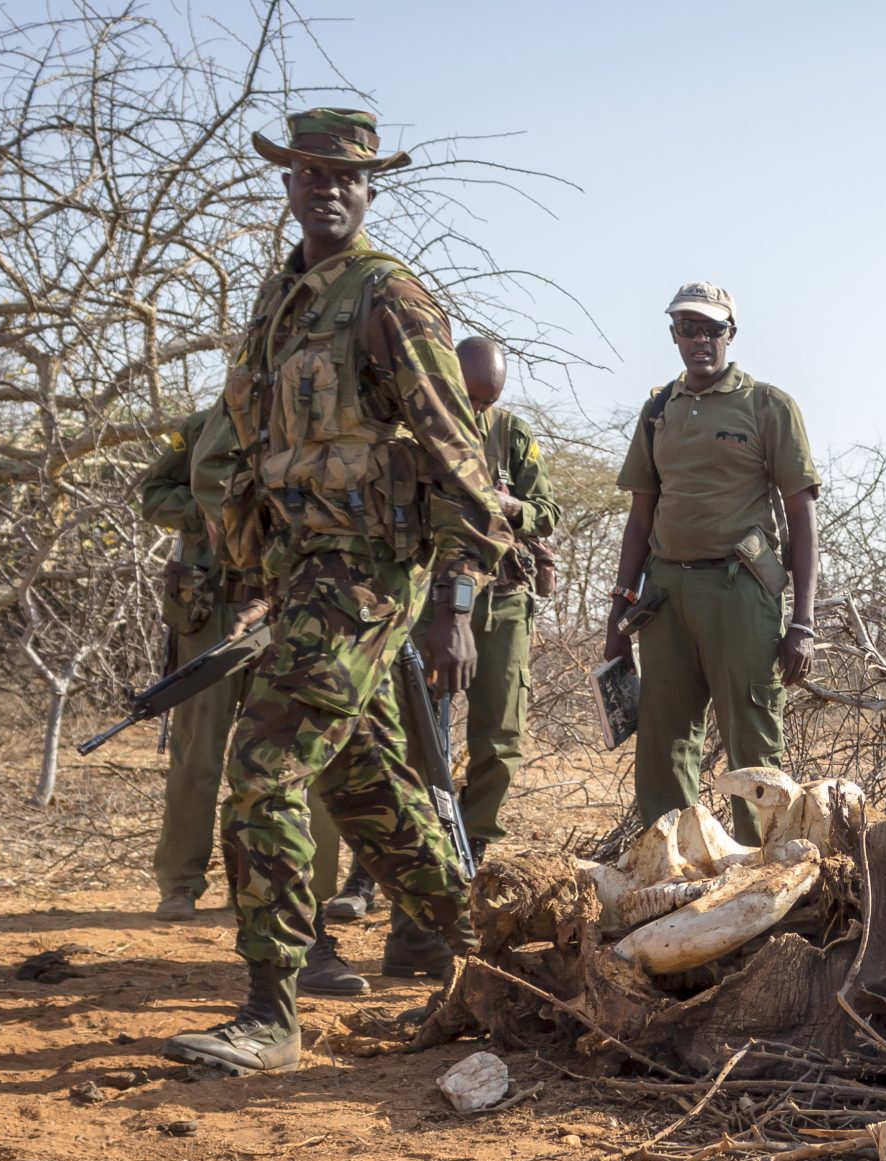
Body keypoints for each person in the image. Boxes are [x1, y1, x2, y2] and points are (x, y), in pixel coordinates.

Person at [163, 107, 504, 1074]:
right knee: (363, 784)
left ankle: (272, 1011)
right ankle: (497, 961)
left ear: (369, 187)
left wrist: (455, 603)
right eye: (312, 172)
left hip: (364, 576)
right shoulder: (284, 301)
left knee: (264, 767)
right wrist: (248, 580)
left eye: (347, 175)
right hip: (298, 573)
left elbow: (457, 457)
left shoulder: (387, 297)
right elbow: (255, 457)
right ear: (289, 184)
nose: (329, 186)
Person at [338, 335, 558, 923]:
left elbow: (548, 512)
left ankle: (470, 857)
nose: (479, 411)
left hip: (501, 601)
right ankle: (374, 873)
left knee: (500, 741)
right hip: (424, 603)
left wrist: (514, 509)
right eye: (471, 398)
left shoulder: (512, 434)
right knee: (407, 741)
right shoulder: (411, 433)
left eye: (490, 400)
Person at [601, 282, 821, 845]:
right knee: (664, 738)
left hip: (740, 588)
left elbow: (802, 519)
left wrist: (802, 622)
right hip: (666, 591)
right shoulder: (658, 410)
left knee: (752, 738)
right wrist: (617, 613)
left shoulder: (767, 405)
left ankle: (765, 874)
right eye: (687, 327)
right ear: (673, 334)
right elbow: (639, 518)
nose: (700, 339)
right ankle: (670, 870)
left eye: (711, 328)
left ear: (731, 334)